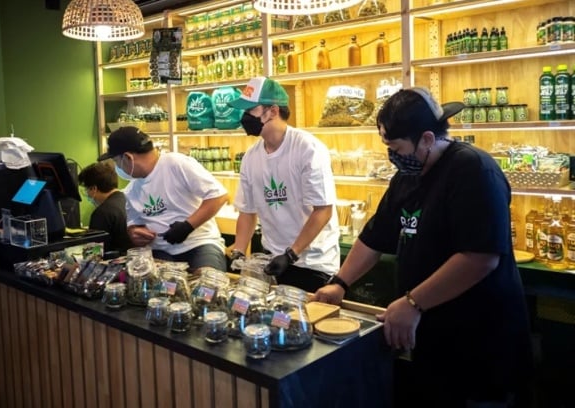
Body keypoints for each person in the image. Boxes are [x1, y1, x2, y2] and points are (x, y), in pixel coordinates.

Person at [311, 87, 533, 407]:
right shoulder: (407, 177)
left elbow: (479, 257)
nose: (393, 155)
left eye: (397, 147)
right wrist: (340, 283)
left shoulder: (474, 170)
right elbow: (375, 236)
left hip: (480, 338)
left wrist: (413, 303)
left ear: (427, 138)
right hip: (434, 334)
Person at [226, 76, 340, 293]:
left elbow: (323, 211)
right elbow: (248, 211)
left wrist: (291, 254)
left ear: (273, 111)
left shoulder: (307, 148)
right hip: (272, 259)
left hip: (312, 261)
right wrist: (239, 251)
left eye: (250, 111)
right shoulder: (251, 158)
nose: (244, 118)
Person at [98, 126, 228, 272]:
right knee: (158, 287)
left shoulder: (176, 164)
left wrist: (187, 226)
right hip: (160, 251)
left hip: (200, 244)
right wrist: (135, 234)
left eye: (116, 161)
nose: (118, 168)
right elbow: (135, 226)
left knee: (207, 283)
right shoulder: (131, 190)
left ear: (128, 157)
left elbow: (218, 196)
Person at [77, 161, 133, 256]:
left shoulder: (101, 213)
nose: (87, 194)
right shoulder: (128, 200)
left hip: (115, 266)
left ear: (94, 189)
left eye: (86, 189)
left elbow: (93, 255)